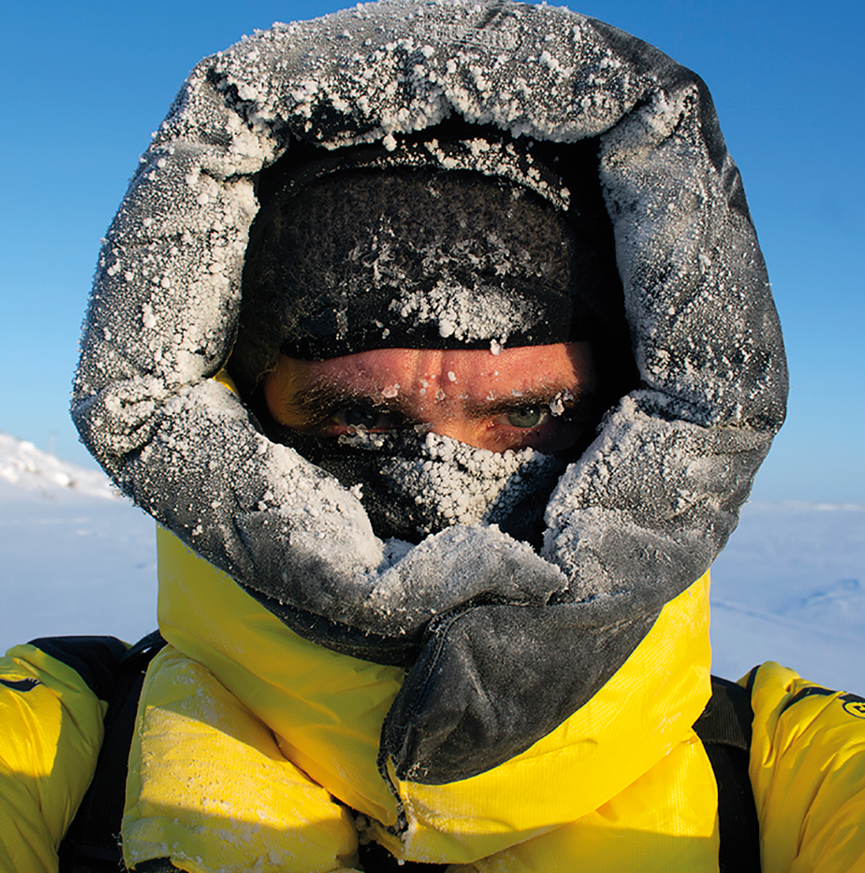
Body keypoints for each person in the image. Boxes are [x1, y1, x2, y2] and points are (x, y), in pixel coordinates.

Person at [2, 2, 865, 871]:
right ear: (240, 407)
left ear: (628, 414)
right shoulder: (51, 741)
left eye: (525, 415)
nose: (449, 505)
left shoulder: (795, 768)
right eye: (361, 418)